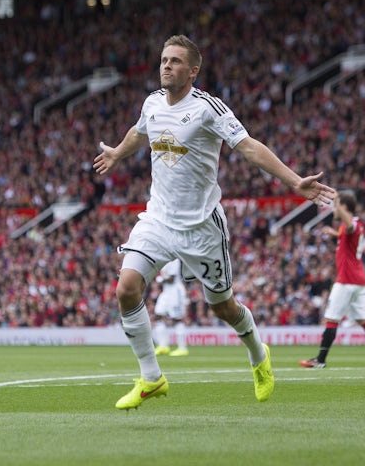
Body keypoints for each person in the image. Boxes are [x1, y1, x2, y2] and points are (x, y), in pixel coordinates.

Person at [93, 34, 336, 409]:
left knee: (223, 307)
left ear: (193, 71)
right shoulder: (153, 103)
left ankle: (258, 353)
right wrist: (118, 155)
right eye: (163, 60)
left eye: (174, 61)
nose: (166, 66)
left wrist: (293, 181)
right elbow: (140, 132)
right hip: (158, 218)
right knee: (126, 289)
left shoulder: (208, 108)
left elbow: (249, 146)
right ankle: (151, 378)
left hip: (201, 227)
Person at [299, 191, 365, 369]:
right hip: (358, 281)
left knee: (332, 318)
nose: (333, 209)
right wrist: (334, 233)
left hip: (347, 281)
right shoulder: (347, 227)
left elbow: (350, 226)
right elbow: (347, 235)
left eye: (336, 205)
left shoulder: (352, 224)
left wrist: (339, 208)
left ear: (344, 207)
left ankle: (320, 359)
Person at [153, 259, 190, 357]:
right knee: (158, 316)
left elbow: (172, 278)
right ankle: (163, 346)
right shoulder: (163, 258)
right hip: (166, 292)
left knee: (176, 320)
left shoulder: (174, 259)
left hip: (175, 292)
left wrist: (160, 279)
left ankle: (182, 348)